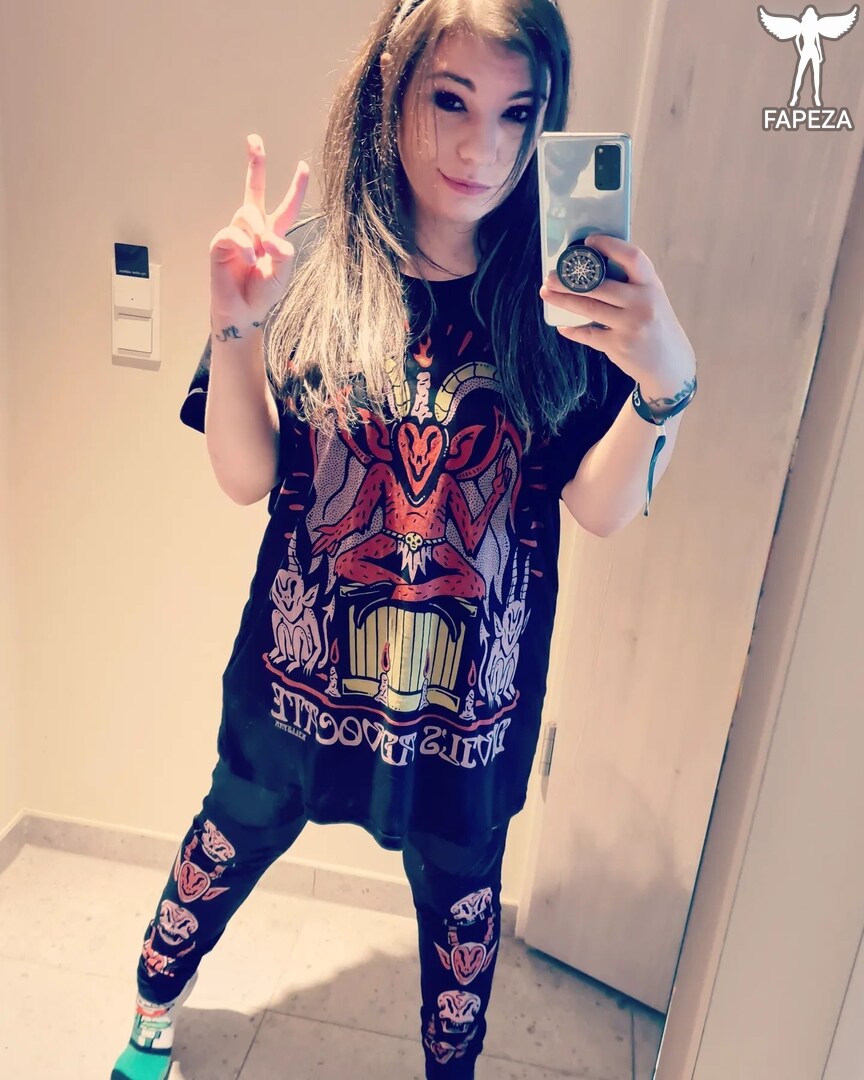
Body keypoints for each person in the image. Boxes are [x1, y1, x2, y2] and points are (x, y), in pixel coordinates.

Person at [111, 1, 697, 1077]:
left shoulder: (561, 306)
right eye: (451, 101)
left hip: (470, 708)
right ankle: (151, 1019)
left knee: (461, 910)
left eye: (518, 113)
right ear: (391, 86)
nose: (483, 150)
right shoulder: (309, 269)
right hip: (298, 681)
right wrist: (235, 320)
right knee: (225, 838)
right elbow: (246, 477)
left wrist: (666, 384)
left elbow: (600, 508)